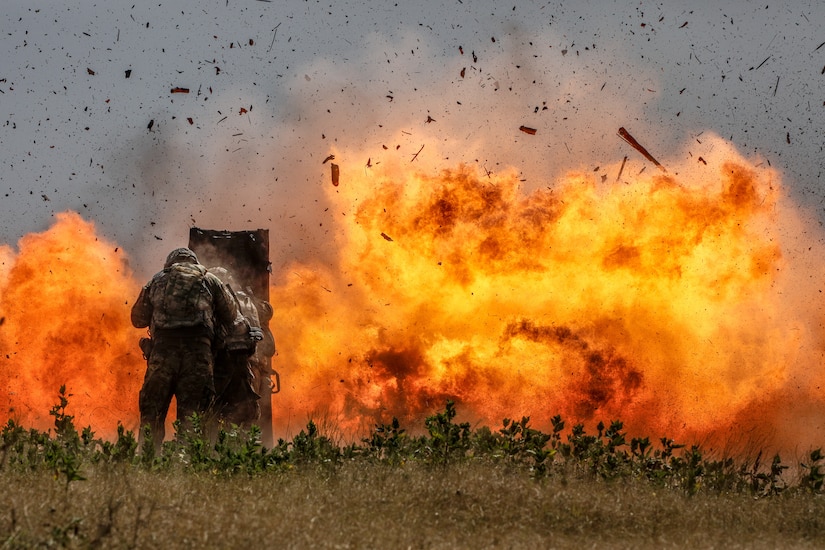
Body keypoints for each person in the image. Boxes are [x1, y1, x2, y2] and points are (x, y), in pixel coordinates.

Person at [131, 247, 247, 451]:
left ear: (169, 264)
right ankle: (189, 467)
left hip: (162, 354)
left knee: (152, 414)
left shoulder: (156, 280)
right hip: (198, 356)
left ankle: (148, 463)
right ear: (194, 262)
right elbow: (232, 317)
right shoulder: (210, 279)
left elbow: (137, 319)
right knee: (194, 419)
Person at [208, 267, 270, 428]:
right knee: (244, 414)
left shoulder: (219, 300)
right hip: (249, 363)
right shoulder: (247, 300)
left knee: (213, 410)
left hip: (223, 363)